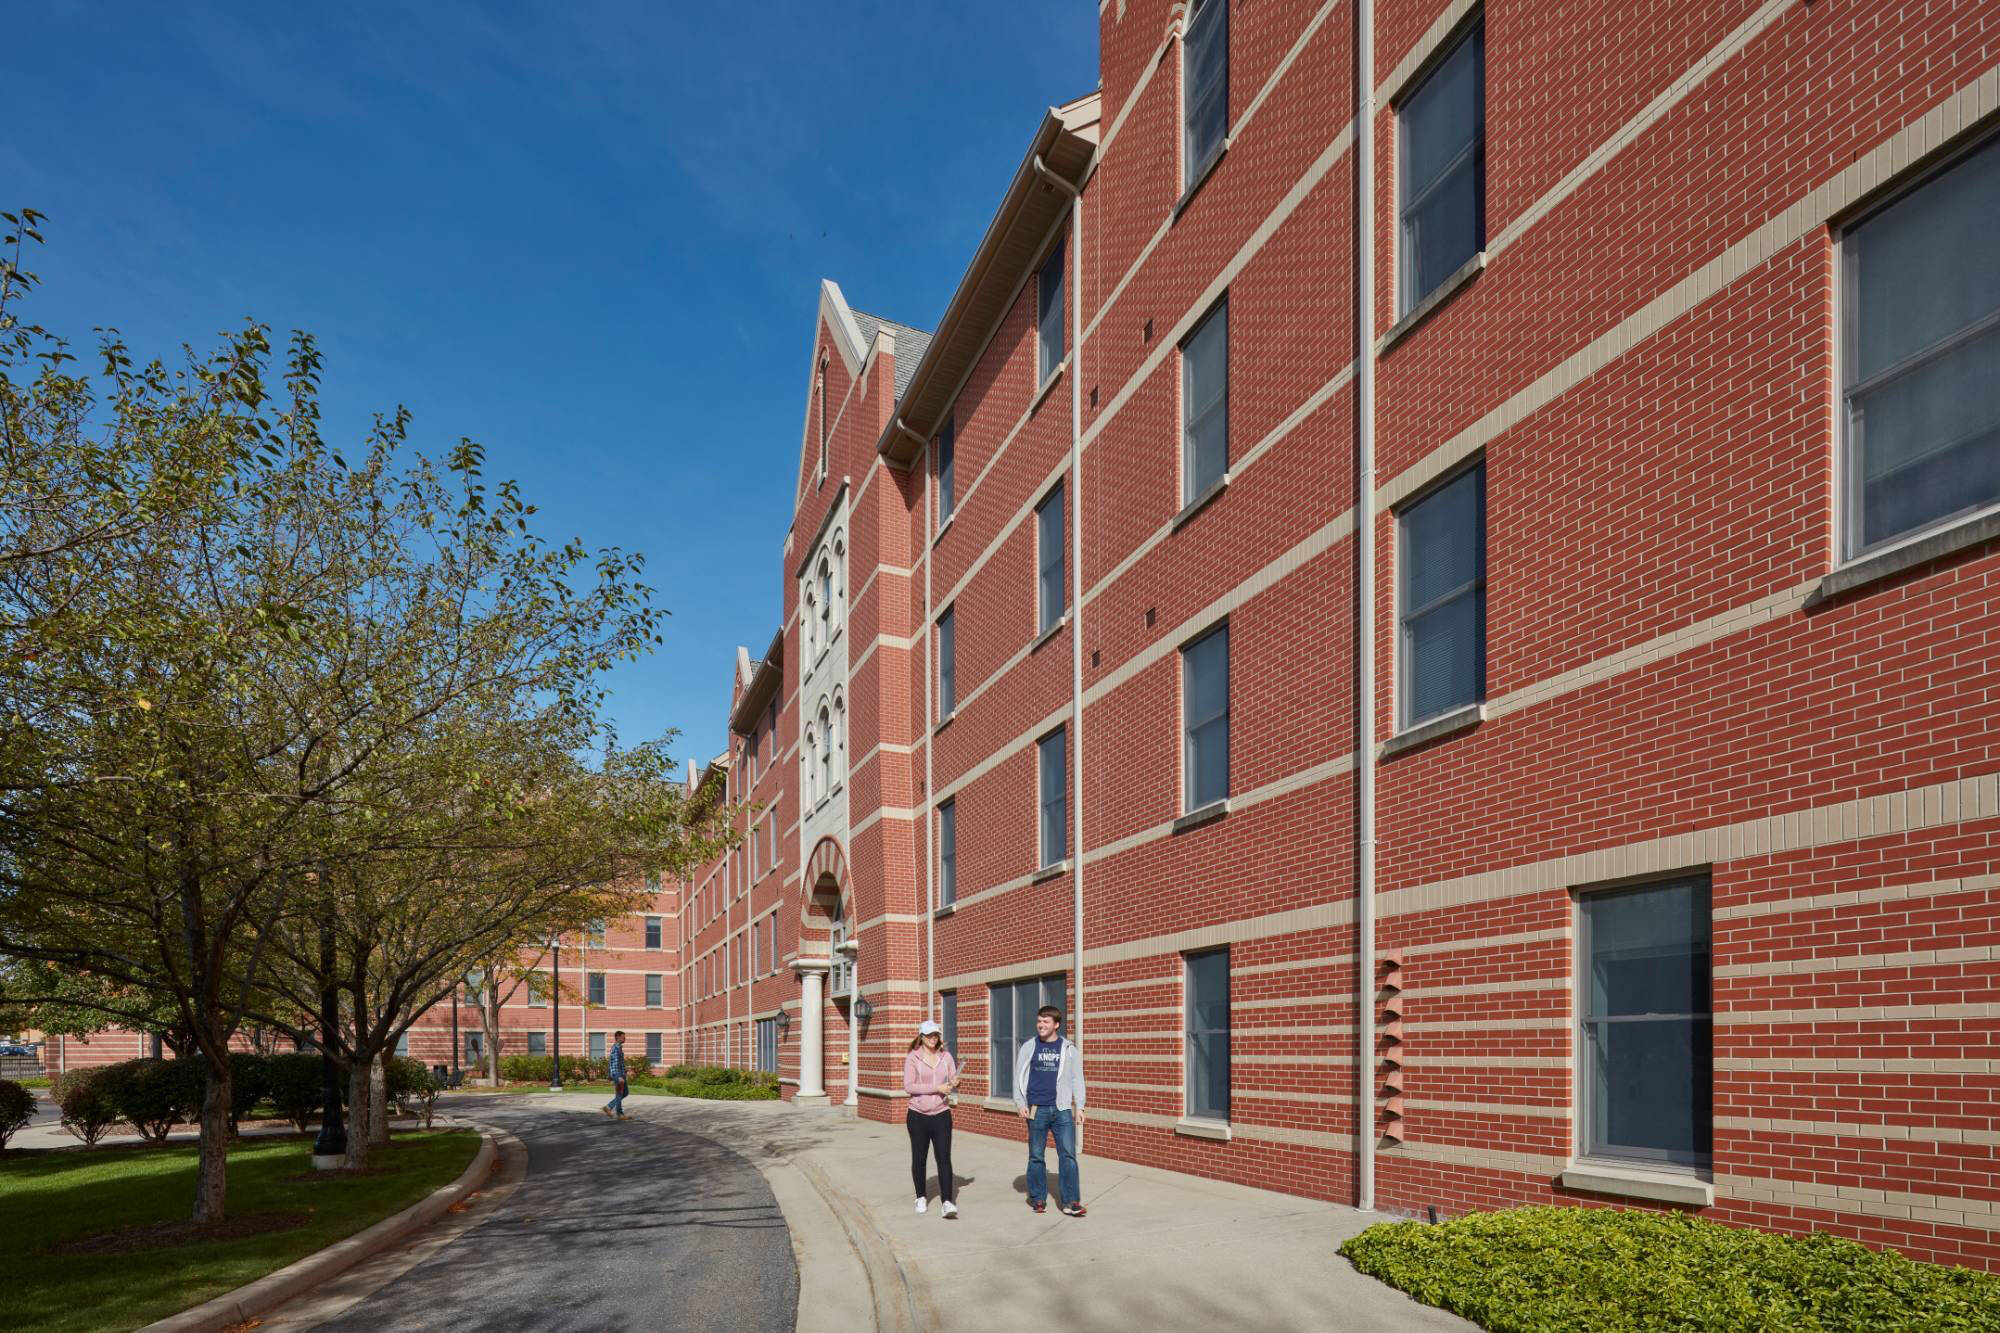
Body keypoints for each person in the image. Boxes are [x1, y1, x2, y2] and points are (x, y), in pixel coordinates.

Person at [1013, 1004, 1086, 1217]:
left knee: (1068, 1155)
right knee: (1036, 1155)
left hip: (1062, 1109)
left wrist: (1079, 1106)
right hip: (1037, 1109)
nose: (1041, 1025)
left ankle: (1071, 1201)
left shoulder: (1069, 1049)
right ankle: (1038, 1198)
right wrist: (1020, 1103)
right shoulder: (1029, 1046)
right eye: (1039, 1021)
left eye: (1046, 1021)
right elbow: (1019, 1076)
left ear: (1056, 1025)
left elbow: (1077, 1079)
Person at [903, 1019, 962, 1217]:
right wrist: (936, 1088)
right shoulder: (913, 1058)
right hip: (917, 1116)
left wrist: (955, 1082)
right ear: (921, 1037)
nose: (932, 1038)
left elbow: (952, 1081)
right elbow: (909, 1086)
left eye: (935, 1034)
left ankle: (947, 1201)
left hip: (941, 1114)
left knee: (944, 1158)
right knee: (919, 1158)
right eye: (929, 1035)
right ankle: (921, 1197)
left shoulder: (946, 1057)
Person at [602, 1030, 629, 1120]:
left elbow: (616, 1062)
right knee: (620, 1093)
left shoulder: (619, 1047)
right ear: (617, 1037)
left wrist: (624, 1071)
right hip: (618, 1074)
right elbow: (614, 1063)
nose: (624, 1038)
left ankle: (612, 1109)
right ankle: (618, 1112)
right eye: (623, 1037)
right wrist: (618, 1076)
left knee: (624, 1093)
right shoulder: (616, 1047)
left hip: (620, 1073)